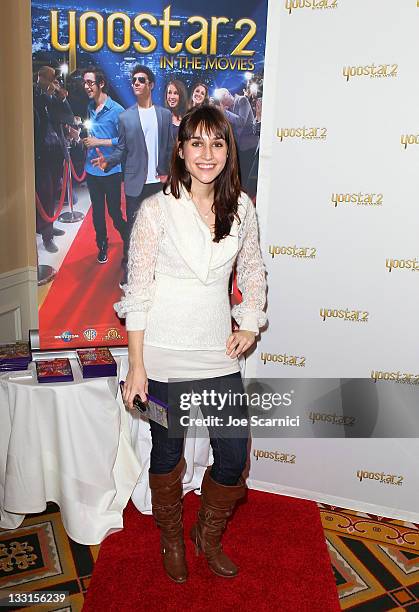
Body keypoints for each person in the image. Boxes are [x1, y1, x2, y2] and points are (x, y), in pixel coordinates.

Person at [117, 105, 267, 583]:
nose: (207, 153)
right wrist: (137, 366)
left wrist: (248, 321)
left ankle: (208, 532)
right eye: (197, 143)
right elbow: (138, 291)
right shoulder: (156, 210)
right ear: (180, 150)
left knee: (233, 450)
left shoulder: (241, 207)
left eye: (217, 143)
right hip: (161, 357)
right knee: (166, 452)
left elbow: (254, 271)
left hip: (215, 351)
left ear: (229, 150)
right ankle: (171, 537)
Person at [92, 65, 173, 282]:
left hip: (158, 182)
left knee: (157, 230)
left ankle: (155, 270)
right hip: (135, 183)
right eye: (134, 80)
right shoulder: (125, 118)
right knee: (135, 229)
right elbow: (121, 150)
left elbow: (168, 148)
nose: (136, 83)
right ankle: (131, 266)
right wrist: (107, 162)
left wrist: (169, 173)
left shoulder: (165, 115)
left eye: (141, 80)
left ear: (151, 85)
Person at [82, 67, 127, 264]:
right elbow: (92, 136)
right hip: (92, 171)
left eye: (90, 82)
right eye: (84, 83)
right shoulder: (90, 107)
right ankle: (102, 244)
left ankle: (129, 239)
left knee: (114, 212)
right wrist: (83, 139)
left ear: (101, 84)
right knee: (97, 213)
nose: (86, 86)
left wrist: (99, 142)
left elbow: (125, 141)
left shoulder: (117, 110)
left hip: (110, 170)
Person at [33, 66, 70, 253]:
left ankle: (48, 225)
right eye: (48, 77)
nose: (51, 81)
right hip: (41, 154)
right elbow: (36, 111)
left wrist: (61, 98)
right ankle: (47, 237)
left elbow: (67, 117)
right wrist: (47, 94)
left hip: (56, 151)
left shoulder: (53, 96)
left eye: (53, 78)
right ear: (39, 77)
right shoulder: (33, 93)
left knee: (54, 192)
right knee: (45, 193)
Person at [217, 87, 258, 190]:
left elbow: (241, 121)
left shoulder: (242, 100)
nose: (222, 103)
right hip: (238, 148)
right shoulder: (229, 108)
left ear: (227, 95)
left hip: (249, 146)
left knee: (246, 176)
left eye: (222, 100)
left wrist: (224, 112)